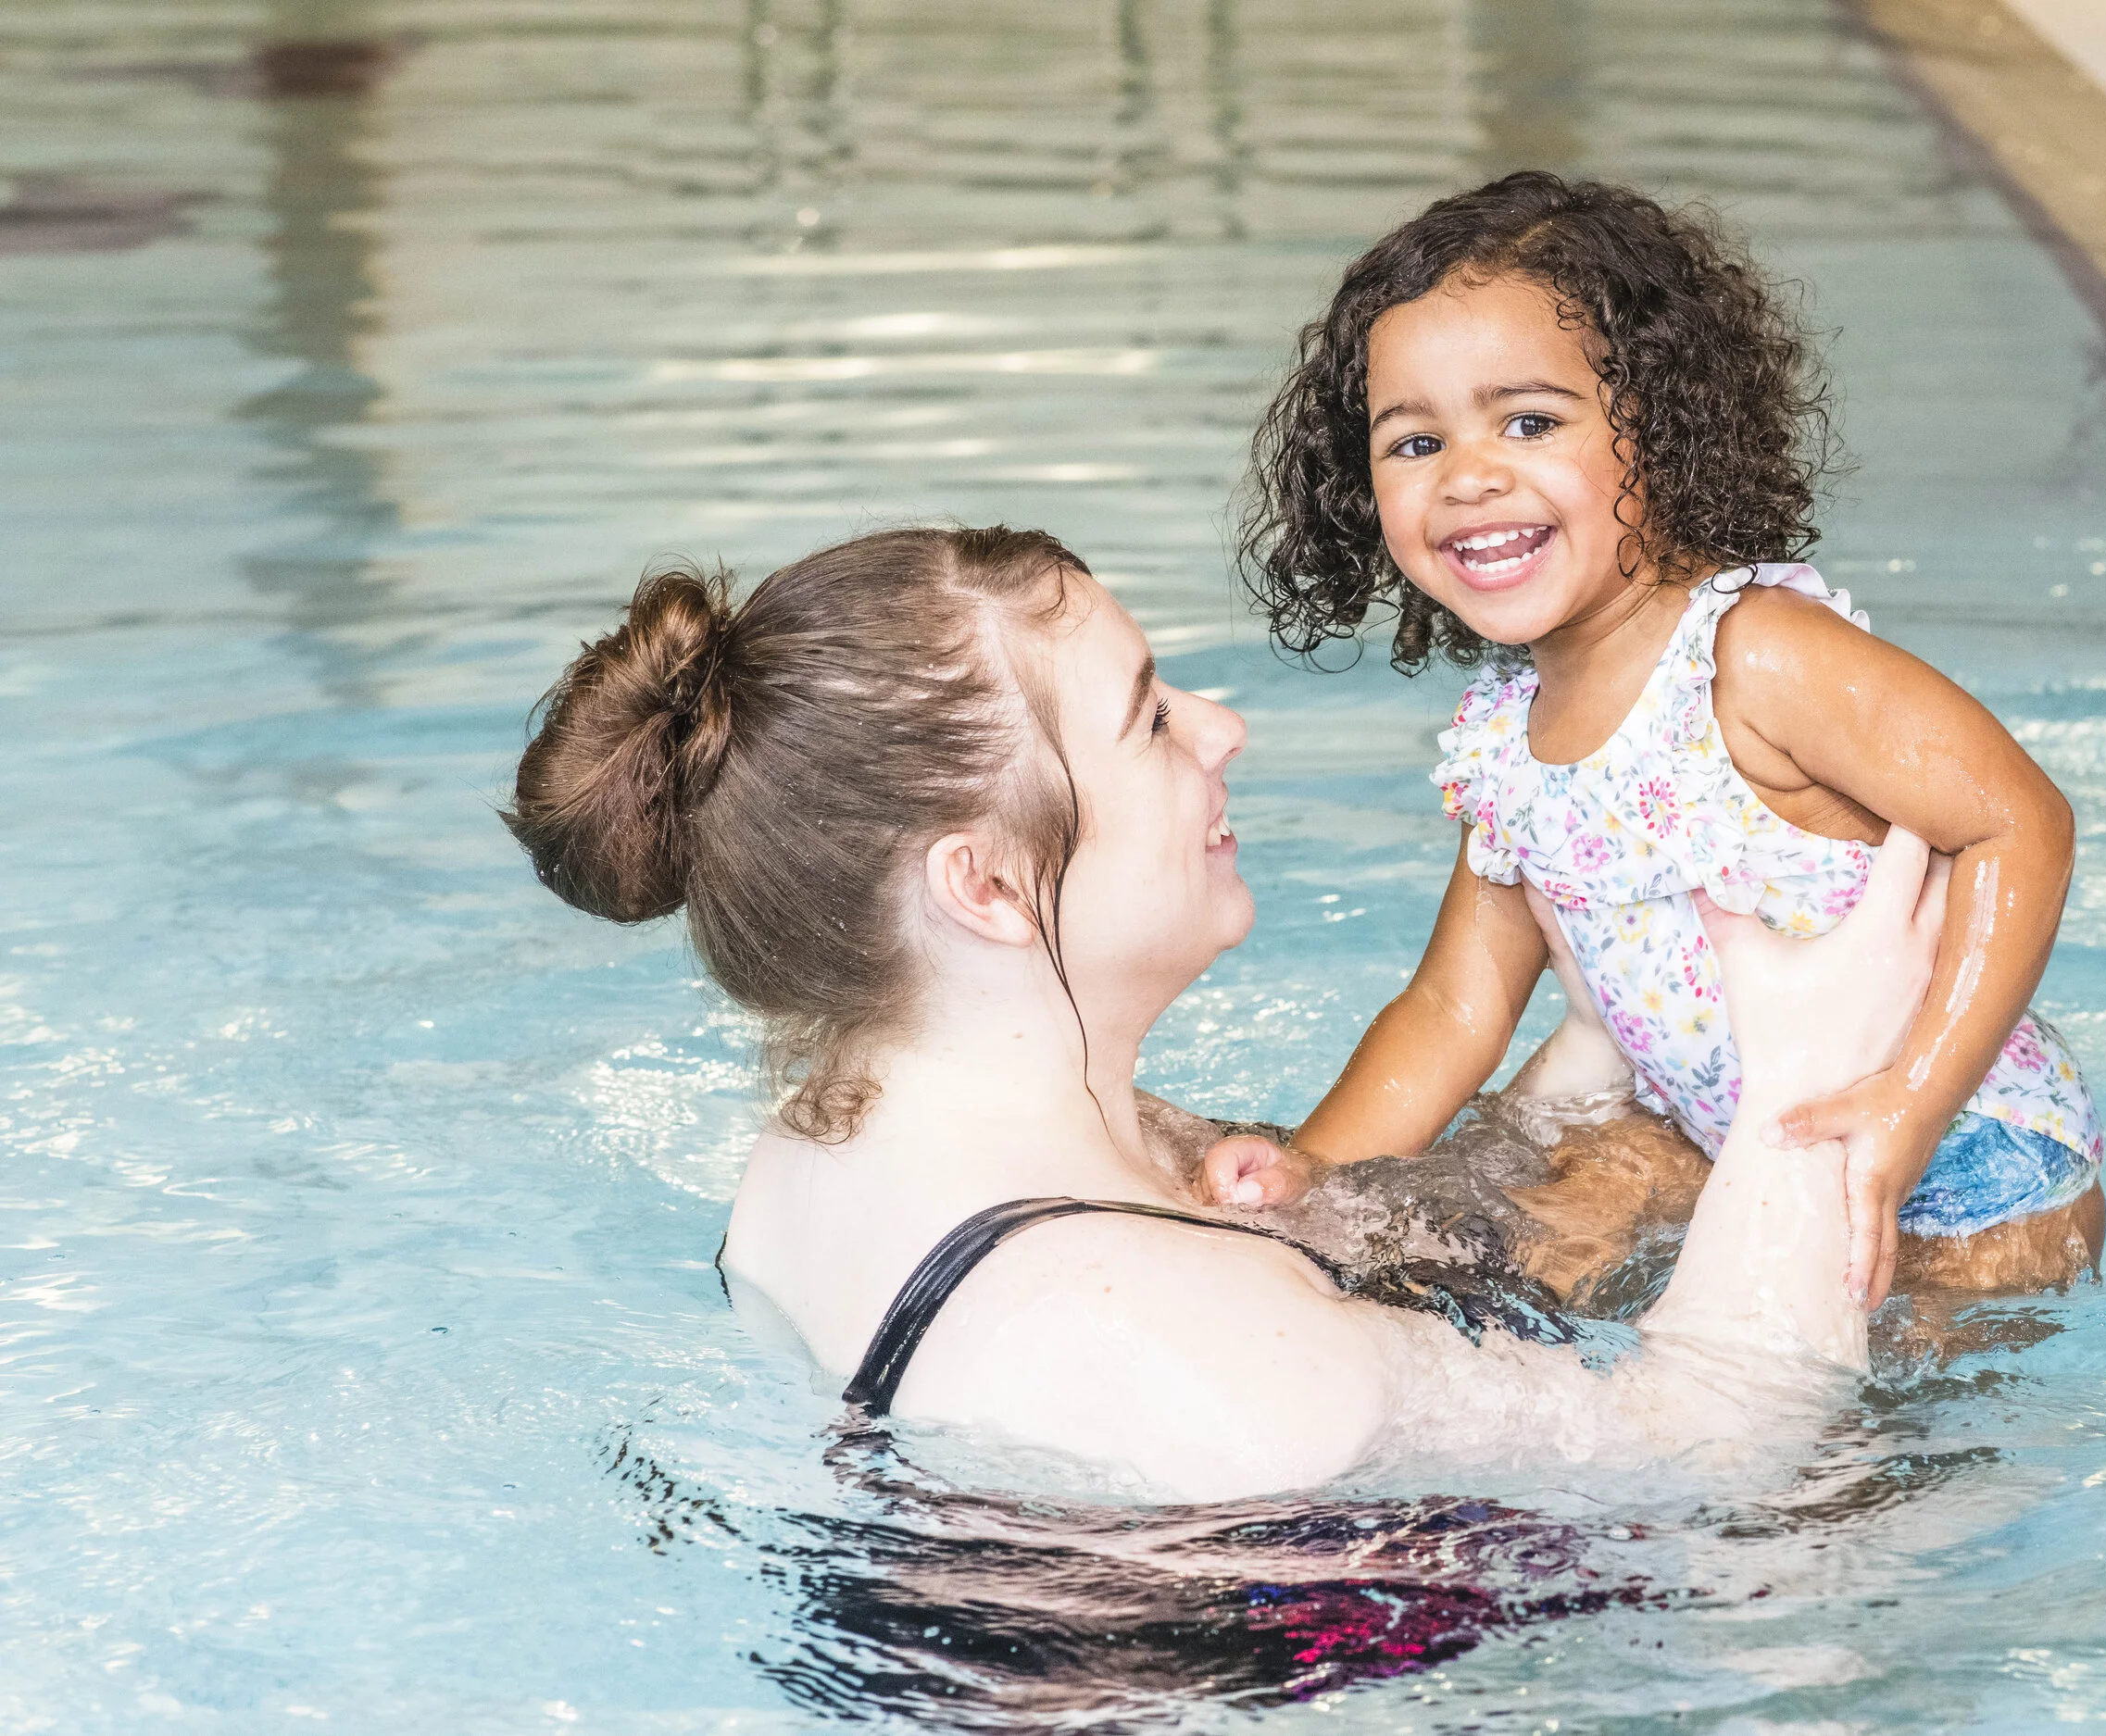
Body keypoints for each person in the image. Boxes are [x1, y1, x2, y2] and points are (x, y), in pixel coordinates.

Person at [505, 525, 1945, 1503]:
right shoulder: (1189, 1338)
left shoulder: (836, 1153)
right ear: (990, 884)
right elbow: (1707, 1453)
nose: (1221, 726)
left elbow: (1359, 1236)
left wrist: (1590, 1044)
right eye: (1146, 717)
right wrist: (1809, 1087)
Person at [1211, 171, 2105, 1308]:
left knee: (1843, 1465)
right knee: (1436, 1277)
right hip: (1729, 1136)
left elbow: (2019, 824)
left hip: (1979, 1177)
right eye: (1413, 442)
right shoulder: (1504, 738)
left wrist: (1912, 1101)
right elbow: (1453, 1006)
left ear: (1662, 425)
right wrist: (1309, 1171)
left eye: (1529, 421)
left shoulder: (1757, 655)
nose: (1468, 475)